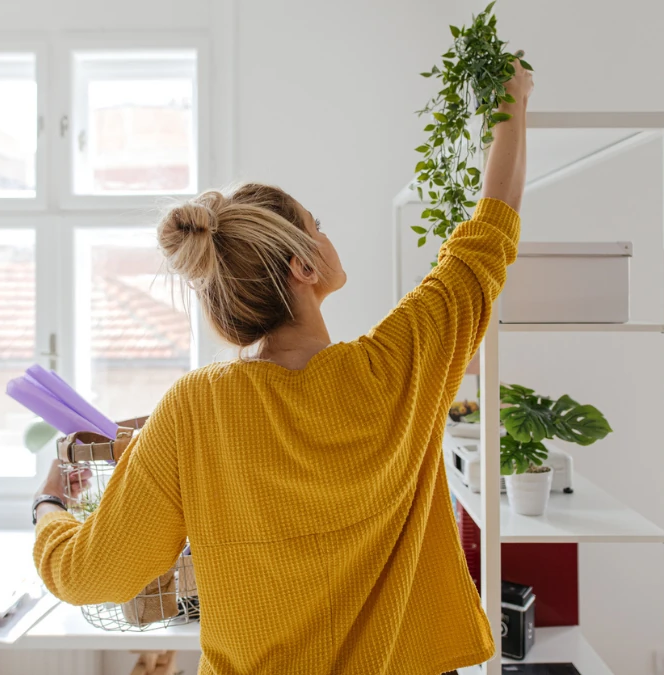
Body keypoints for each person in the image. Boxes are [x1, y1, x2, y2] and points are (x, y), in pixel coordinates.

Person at [31, 61, 533, 675]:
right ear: (303, 267)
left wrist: (48, 506)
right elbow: (489, 232)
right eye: (317, 226)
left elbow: (89, 576)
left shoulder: (195, 407)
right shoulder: (398, 366)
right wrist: (512, 102)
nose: (326, 232)